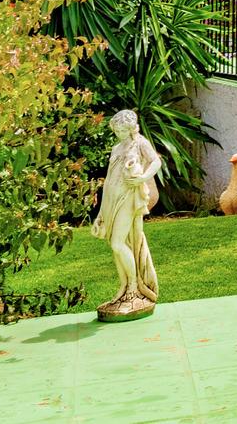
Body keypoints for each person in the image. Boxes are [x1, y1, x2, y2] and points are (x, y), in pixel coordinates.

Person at [92, 109, 162, 317]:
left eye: (123, 130)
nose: (119, 134)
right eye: (117, 130)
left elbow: (156, 161)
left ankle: (134, 288)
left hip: (129, 199)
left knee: (118, 243)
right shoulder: (117, 148)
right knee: (115, 245)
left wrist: (142, 178)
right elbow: (109, 179)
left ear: (131, 129)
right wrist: (100, 214)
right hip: (111, 199)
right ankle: (124, 288)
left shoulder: (139, 143)